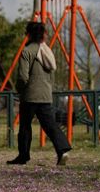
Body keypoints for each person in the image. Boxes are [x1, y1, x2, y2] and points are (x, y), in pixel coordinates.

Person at [7, 21, 72, 166]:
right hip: (45, 95)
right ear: (42, 35)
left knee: (25, 126)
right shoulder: (47, 51)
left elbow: (23, 77)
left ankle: (23, 156)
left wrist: (19, 89)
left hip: (30, 96)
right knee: (50, 125)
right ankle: (62, 150)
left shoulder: (27, 51)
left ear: (28, 34)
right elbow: (52, 74)